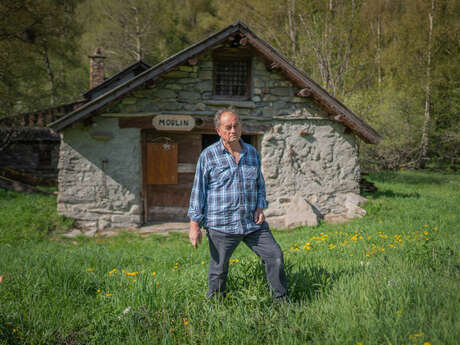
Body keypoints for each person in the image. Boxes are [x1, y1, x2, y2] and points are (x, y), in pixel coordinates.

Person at [188, 109, 288, 301]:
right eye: (228, 127)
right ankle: (215, 306)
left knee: (275, 255)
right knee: (218, 270)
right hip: (221, 225)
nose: (233, 130)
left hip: (251, 223)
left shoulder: (252, 153)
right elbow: (198, 191)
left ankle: (282, 302)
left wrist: (260, 206)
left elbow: (260, 184)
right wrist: (194, 225)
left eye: (236, 126)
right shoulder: (208, 156)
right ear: (219, 131)